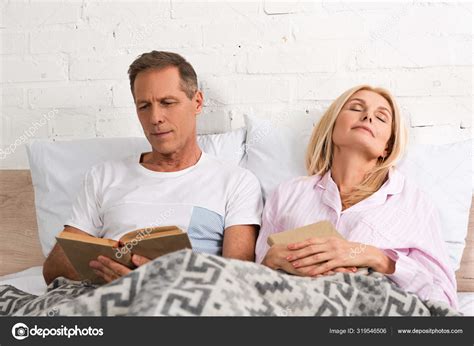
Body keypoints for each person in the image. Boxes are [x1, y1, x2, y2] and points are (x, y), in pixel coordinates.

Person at [43, 51, 263, 284]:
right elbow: (53, 271)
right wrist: (111, 268)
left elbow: (239, 279)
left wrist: (159, 280)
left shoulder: (236, 182)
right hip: (104, 298)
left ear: (197, 102)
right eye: (144, 106)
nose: (155, 117)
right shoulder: (103, 176)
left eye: (167, 103)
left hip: (186, 303)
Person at [255, 85, 457, 309]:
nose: (368, 116)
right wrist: (270, 261)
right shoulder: (288, 194)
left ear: (387, 147)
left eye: (381, 117)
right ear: (332, 128)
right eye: (355, 108)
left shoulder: (414, 203)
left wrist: (377, 258)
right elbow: (252, 288)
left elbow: (445, 300)